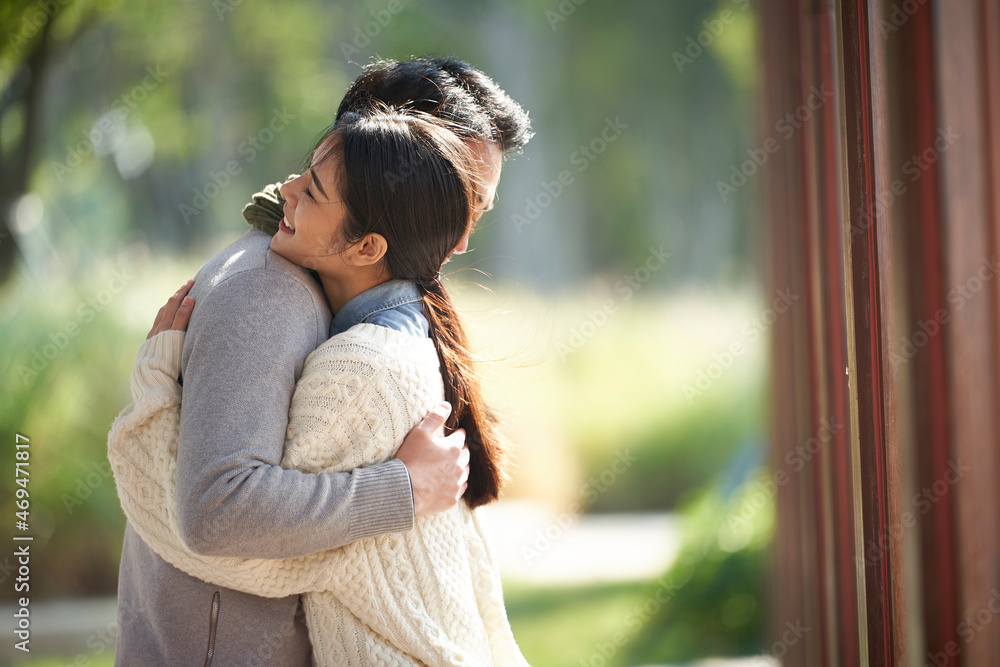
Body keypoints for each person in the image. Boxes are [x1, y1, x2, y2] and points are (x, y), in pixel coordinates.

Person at [110, 57, 532, 665]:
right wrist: (404, 489)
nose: (460, 240)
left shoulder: (359, 318)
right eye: (459, 199)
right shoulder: (272, 294)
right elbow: (218, 514)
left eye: (473, 209)